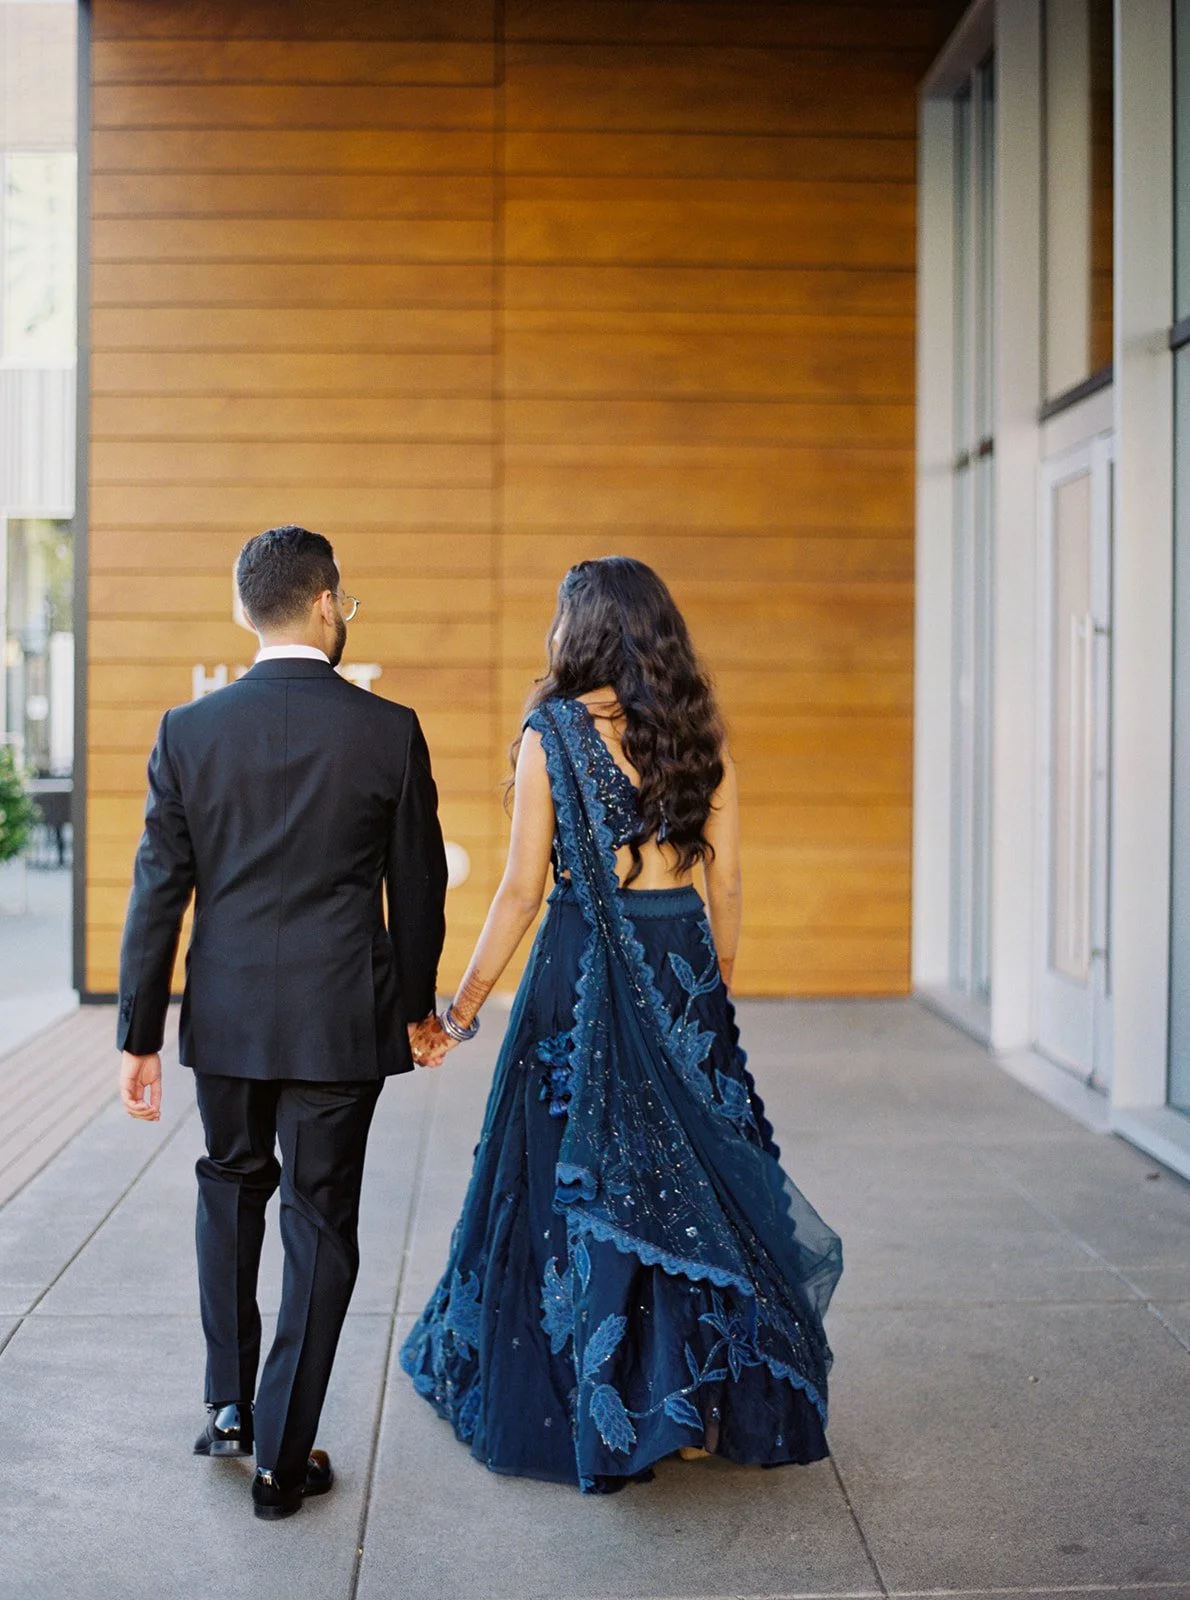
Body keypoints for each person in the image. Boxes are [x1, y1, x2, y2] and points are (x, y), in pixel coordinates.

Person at [403, 556, 842, 1493]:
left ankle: (620, 1403)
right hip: (679, 965)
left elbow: (524, 889)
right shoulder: (699, 733)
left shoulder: (551, 733)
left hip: (584, 979)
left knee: (589, 1185)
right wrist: (708, 994)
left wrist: (462, 1009)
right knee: (692, 1182)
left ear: (584, 631)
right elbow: (725, 879)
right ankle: (694, 1412)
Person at [117, 524, 448, 1520]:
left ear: (242, 611)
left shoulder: (188, 731)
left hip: (225, 1013)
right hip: (338, 1015)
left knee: (229, 1185)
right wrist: (415, 1010)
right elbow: (417, 893)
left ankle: (230, 1406)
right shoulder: (387, 730)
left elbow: (157, 891)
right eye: (342, 602)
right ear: (323, 602)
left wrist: (138, 1033)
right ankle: (282, 1452)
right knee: (317, 1221)